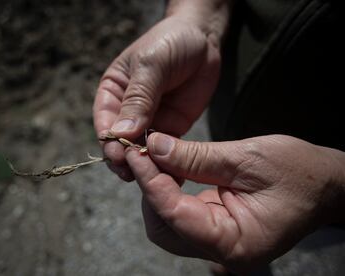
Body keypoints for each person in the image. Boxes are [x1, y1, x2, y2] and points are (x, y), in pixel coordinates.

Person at [93, 0, 345, 274]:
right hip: (228, 99)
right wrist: (198, 17)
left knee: (290, 238)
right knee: (236, 248)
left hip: (332, 207)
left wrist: (333, 183)